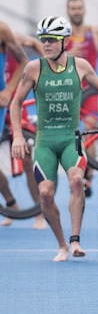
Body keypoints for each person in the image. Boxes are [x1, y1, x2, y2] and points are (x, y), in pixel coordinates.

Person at [10, 16, 98, 262]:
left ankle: (75, 240)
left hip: (70, 139)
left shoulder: (80, 66)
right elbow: (15, 103)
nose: (46, 44)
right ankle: (61, 245)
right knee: (45, 193)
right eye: (43, 39)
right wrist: (17, 136)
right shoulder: (34, 68)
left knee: (77, 180)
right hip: (45, 141)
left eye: (52, 40)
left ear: (65, 41)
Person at [65, 0, 98, 197]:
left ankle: (88, 177)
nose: (77, 11)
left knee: (89, 131)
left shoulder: (94, 31)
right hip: (69, 90)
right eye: (73, 8)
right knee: (70, 134)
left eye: (79, 8)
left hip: (89, 91)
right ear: (68, 11)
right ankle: (74, 171)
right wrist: (68, 53)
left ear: (84, 10)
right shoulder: (63, 34)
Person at [1, 31, 46, 229]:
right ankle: (12, 204)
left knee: (27, 160)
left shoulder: (7, 34)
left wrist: (10, 90)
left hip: (13, 102)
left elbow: (32, 54)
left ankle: (40, 211)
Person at [0, 22, 30, 227]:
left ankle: (17, 205)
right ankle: (11, 202)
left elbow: (24, 60)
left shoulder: (2, 28)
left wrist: (9, 90)